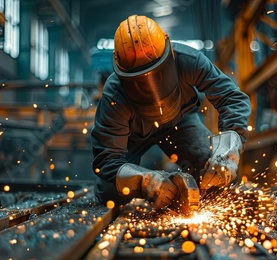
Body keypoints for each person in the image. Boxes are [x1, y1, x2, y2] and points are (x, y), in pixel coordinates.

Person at [91, 15, 251, 210]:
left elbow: (232, 97)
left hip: (180, 122)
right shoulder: (114, 93)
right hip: (133, 138)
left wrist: (227, 152)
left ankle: (184, 191)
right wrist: (144, 181)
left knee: (213, 174)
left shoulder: (189, 60)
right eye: (140, 80)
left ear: (169, 54)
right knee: (110, 193)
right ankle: (166, 188)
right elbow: (107, 160)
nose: (150, 88)